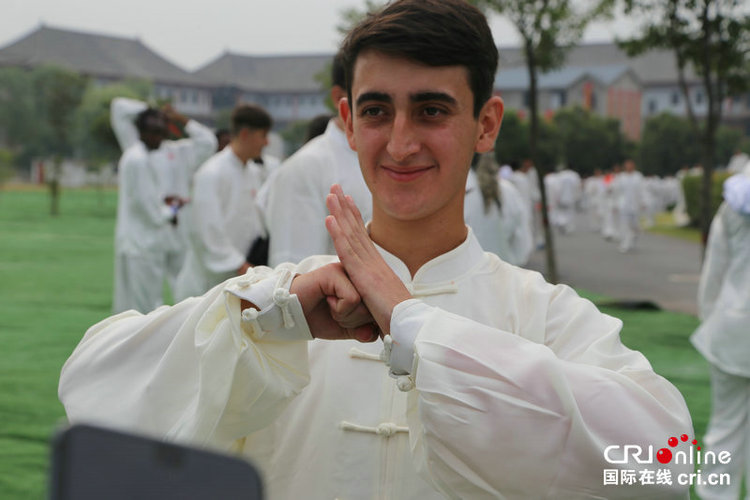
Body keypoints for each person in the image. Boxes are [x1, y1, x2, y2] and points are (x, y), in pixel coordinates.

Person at [61, 2, 692, 498]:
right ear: (347, 121)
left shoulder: (545, 312)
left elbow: (671, 463)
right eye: (377, 111)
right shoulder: (290, 299)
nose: (400, 142)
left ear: (487, 124)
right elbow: (92, 388)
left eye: (432, 110)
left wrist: (415, 326)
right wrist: (261, 319)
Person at [259, 52, 372, 267]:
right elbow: (297, 274)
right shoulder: (305, 168)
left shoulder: (403, 161)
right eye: (376, 105)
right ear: (340, 98)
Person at [109, 97, 216, 314]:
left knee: (185, 294)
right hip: (145, 239)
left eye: (162, 129)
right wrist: (152, 110)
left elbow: (208, 142)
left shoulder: (178, 151)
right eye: (154, 130)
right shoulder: (137, 155)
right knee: (143, 305)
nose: (159, 136)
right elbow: (118, 107)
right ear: (142, 132)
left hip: (175, 234)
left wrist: (179, 119)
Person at [691, 163, 750, 500]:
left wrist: (709, 317)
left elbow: (715, 269)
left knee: (725, 423)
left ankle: (716, 493)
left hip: (732, 325)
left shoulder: (734, 202)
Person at [174, 104, 272, 301]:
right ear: (245, 134)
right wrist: (240, 265)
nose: (266, 142)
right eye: (263, 135)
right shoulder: (211, 173)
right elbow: (207, 229)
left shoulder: (253, 172)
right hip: (209, 282)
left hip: (240, 278)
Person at [464, 152, 533, 266]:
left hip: (465, 275)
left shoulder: (458, 194)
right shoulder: (508, 190)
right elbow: (522, 240)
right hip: (505, 272)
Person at [612, 159, 646, 253]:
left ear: (633, 166)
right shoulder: (621, 177)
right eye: (627, 165)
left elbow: (642, 190)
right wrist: (615, 204)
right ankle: (625, 244)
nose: (629, 167)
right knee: (624, 225)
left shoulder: (638, 176)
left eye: (630, 165)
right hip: (623, 205)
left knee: (635, 225)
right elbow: (616, 192)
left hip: (635, 205)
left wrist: (643, 202)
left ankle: (633, 239)